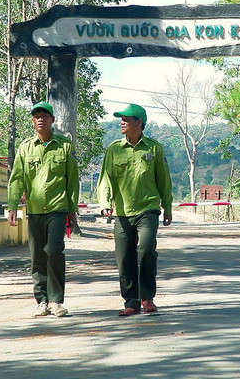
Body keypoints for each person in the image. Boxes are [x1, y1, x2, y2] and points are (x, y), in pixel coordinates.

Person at [99, 103, 173, 317]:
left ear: (139, 122)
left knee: (147, 249)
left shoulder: (154, 148)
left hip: (148, 209)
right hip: (122, 212)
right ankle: (131, 301)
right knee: (124, 257)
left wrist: (167, 207)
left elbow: (163, 180)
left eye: (126, 119)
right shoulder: (113, 149)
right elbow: (105, 179)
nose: (121, 122)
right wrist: (105, 203)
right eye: (121, 119)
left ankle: (147, 297)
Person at [7, 101, 79, 318]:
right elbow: (17, 178)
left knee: (54, 251)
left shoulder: (65, 146)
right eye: (36, 115)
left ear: (52, 120)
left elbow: (72, 181)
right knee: (37, 255)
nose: (40, 119)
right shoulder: (25, 147)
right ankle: (42, 301)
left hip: (58, 208)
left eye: (45, 115)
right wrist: (12, 205)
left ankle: (56, 300)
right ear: (32, 121)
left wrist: (72, 210)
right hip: (35, 210)